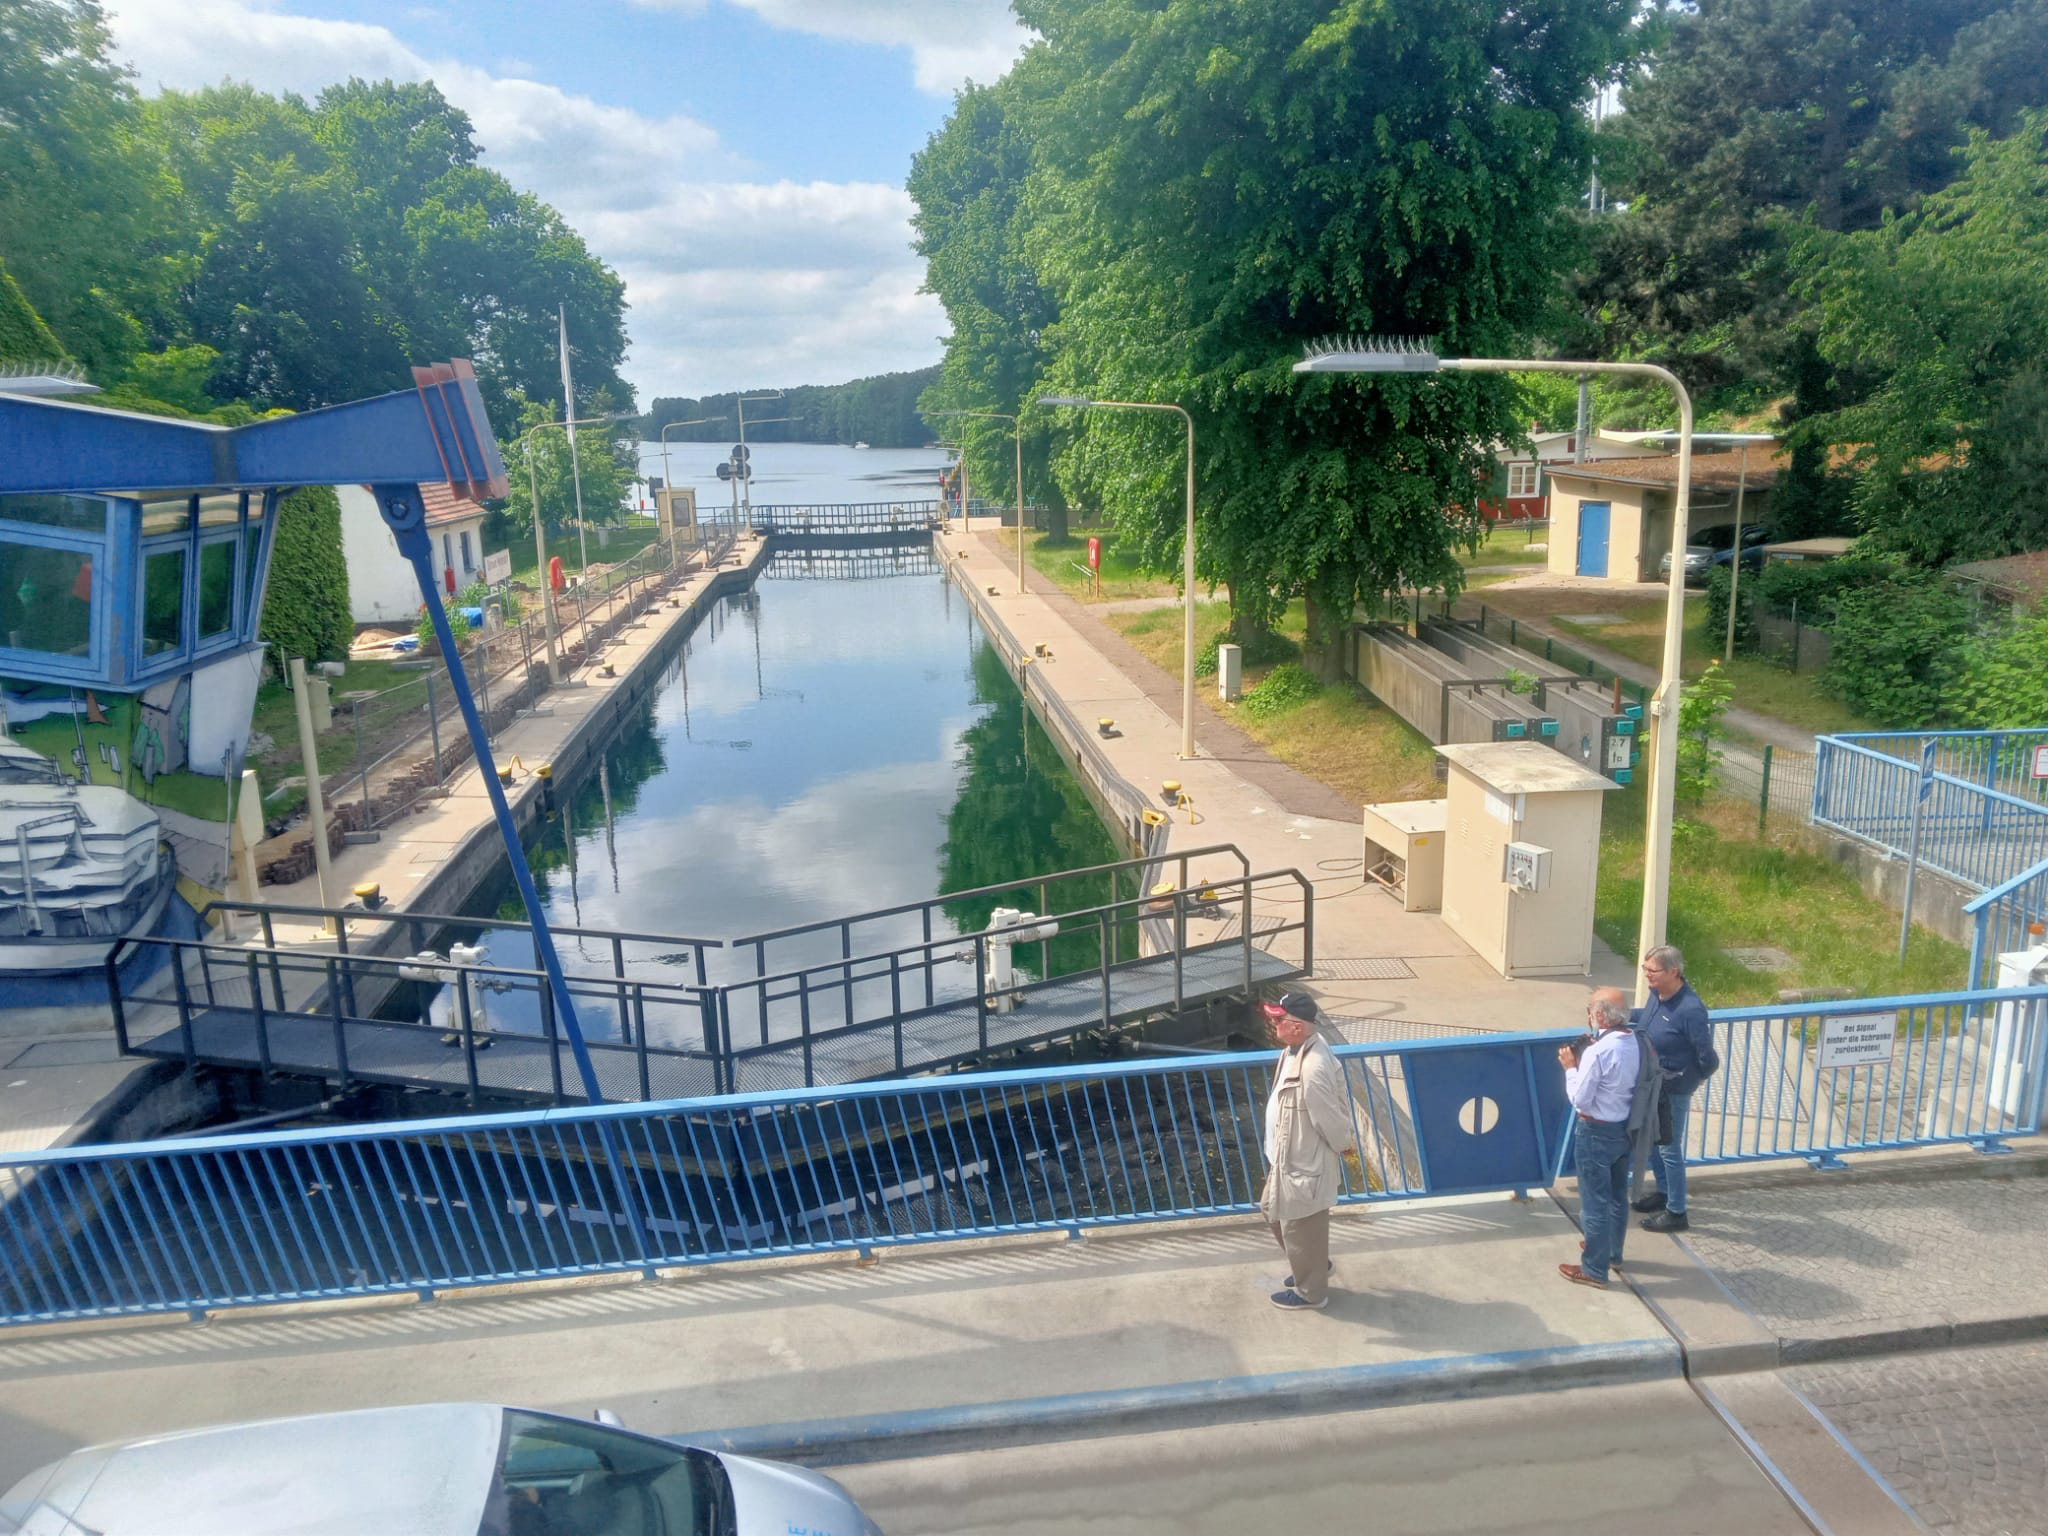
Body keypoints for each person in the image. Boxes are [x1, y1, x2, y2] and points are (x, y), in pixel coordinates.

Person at [1259, 991, 1358, 1311]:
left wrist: (1345, 1148)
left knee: (1299, 1227)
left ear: (1297, 1026)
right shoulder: (1296, 1050)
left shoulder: (1313, 1068)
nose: (1273, 1024)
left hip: (1304, 1164)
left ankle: (1311, 1293)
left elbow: (1330, 1119)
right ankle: (1314, 1266)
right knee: (1272, 1210)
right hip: (1287, 1159)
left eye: (1278, 1019)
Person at [1557, 989, 1643, 1288]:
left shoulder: (1597, 1052)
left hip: (1595, 1131)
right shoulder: (1635, 1040)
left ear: (1600, 1016)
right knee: (1617, 1196)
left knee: (1594, 1203)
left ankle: (1594, 1269)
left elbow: (1580, 1100)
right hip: (1624, 1127)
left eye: (1590, 1010)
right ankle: (1612, 1253)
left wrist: (1571, 1068)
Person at [1633, 944, 1718, 1234]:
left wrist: (1695, 1078)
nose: (1647, 975)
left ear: (1674, 972)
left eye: (1652, 970)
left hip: (1674, 1089)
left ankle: (1677, 1211)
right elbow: (1646, 1022)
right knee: (1655, 1142)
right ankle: (1664, 1193)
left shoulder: (1690, 1009)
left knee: (1669, 1149)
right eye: (1645, 969)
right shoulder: (1656, 994)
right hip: (1652, 1084)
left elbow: (1707, 1056)